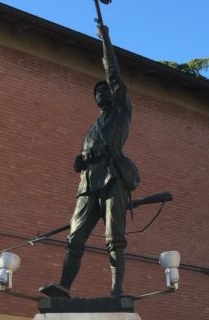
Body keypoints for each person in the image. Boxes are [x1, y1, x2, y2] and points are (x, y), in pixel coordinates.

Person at [41, 22, 138, 298]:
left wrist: (106, 39)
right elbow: (87, 154)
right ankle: (63, 287)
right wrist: (80, 161)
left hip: (112, 180)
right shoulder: (91, 130)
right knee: (74, 237)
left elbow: (115, 76)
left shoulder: (121, 112)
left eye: (103, 89)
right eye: (96, 91)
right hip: (87, 185)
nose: (100, 92)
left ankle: (117, 289)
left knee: (113, 239)